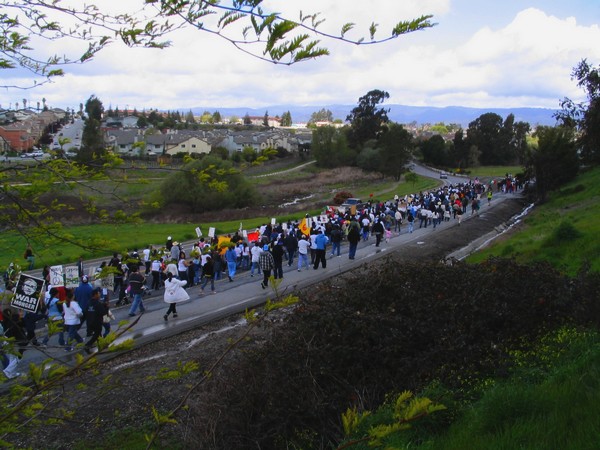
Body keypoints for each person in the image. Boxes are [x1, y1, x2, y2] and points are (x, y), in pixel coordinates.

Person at [84, 288, 107, 354]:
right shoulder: (97, 303)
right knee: (97, 334)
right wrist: (106, 307)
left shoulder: (89, 302)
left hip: (90, 322)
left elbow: (85, 312)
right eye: (98, 293)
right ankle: (88, 345)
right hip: (97, 321)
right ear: (95, 295)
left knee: (98, 335)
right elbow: (103, 312)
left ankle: (101, 346)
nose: (99, 294)